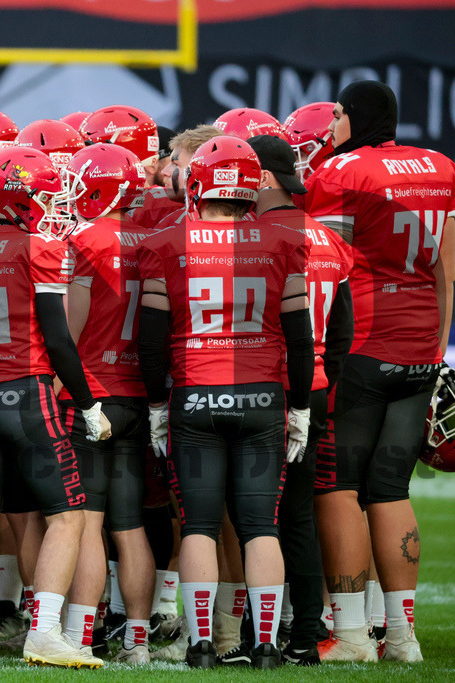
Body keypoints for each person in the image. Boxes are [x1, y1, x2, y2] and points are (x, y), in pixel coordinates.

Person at [137, 135, 313, 670]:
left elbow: (150, 339)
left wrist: (155, 405)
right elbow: (301, 338)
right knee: (260, 523)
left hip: (195, 396)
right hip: (263, 396)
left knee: (199, 525)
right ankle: (264, 646)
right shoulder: (284, 241)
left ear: (198, 183)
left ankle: (201, 646)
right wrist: (300, 407)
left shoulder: (166, 243)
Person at [0, 145, 111, 667]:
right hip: (28, 395)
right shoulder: (39, 247)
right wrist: (87, 403)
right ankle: (44, 632)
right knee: (68, 515)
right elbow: (58, 339)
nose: (48, 199)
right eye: (39, 190)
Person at [302, 80, 455, 663]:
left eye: (339, 113)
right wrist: (436, 348)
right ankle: (403, 637)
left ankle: (349, 636)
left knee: (337, 483)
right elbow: (446, 266)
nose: (333, 122)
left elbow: (326, 262)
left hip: (361, 343)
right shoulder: (441, 165)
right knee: (390, 488)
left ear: (357, 116)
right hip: (421, 345)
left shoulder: (343, 173)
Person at [249, 133, 354, 664]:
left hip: (257, 386)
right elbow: (340, 334)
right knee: (299, 516)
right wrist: (317, 388)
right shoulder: (330, 240)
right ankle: (306, 634)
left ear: (263, 178)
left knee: (248, 516)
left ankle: (249, 633)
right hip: (310, 388)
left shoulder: (247, 236)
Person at [61, 143, 155, 665]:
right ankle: (138, 641)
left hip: (91, 389)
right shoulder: (154, 239)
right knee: (130, 522)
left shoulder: (84, 239)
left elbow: (71, 329)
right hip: (138, 390)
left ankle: (81, 632)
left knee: (89, 521)